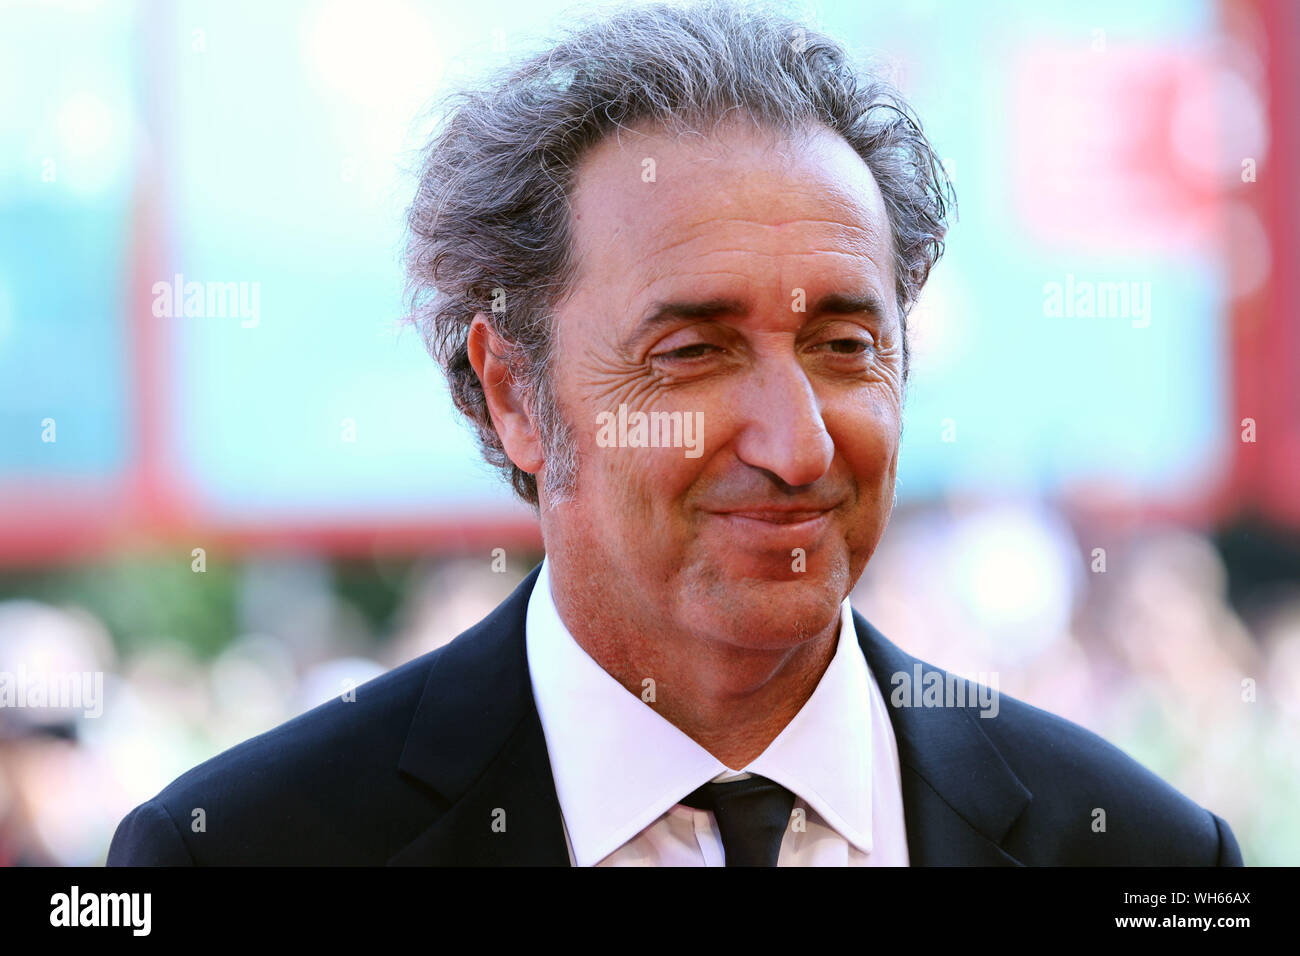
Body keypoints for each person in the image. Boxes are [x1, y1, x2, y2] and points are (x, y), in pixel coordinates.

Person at [108, 0, 1243, 866]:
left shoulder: (1142, 851)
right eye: (693, 352)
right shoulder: (247, 848)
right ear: (513, 393)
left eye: (845, 345)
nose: (797, 446)